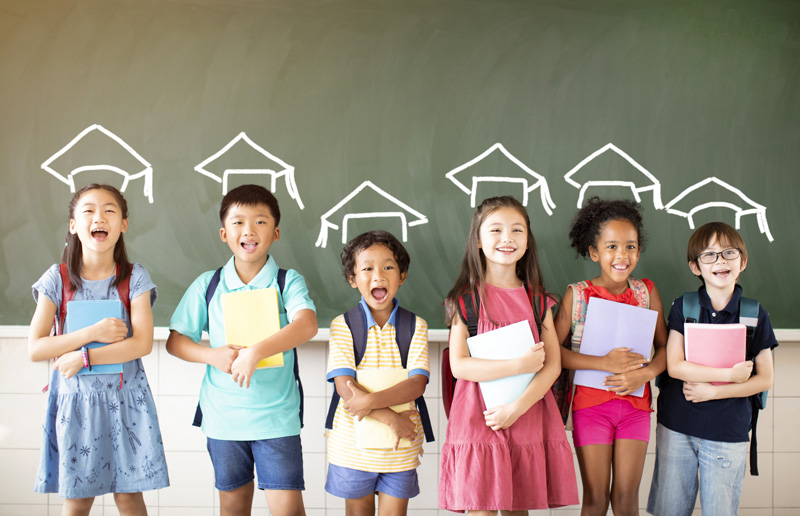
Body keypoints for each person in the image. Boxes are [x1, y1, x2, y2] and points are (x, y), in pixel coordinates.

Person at [166, 184, 317, 516]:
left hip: (277, 419)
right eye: (238, 222)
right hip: (223, 419)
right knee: (233, 506)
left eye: (260, 221)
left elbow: (306, 325)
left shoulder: (286, 281)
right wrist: (212, 355)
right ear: (224, 233)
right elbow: (176, 341)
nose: (249, 230)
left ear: (276, 233)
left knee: (288, 508)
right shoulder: (208, 284)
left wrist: (256, 351)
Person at [28, 183, 168, 515]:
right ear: (74, 225)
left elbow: (141, 343)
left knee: (129, 496)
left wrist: (85, 356)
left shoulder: (135, 278)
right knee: (77, 500)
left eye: (109, 210)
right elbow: (36, 348)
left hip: (126, 402)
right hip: (76, 403)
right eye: (88, 210)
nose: (99, 217)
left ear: (123, 224)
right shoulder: (57, 279)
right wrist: (93, 332)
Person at [439, 196, 579, 513]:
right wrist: (519, 364)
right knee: (480, 505)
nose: (507, 238)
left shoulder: (540, 301)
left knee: (518, 507)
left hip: (527, 413)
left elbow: (552, 367)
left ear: (528, 241)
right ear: (477, 240)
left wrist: (515, 409)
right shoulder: (465, 302)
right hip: (477, 419)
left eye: (517, 230)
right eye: (496, 230)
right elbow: (459, 366)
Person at [646, 222, 777, 516]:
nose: (720, 261)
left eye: (729, 253)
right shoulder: (684, 306)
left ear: (742, 261)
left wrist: (714, 392)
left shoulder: (755, 314)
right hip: (677, 426)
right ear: (695, 266)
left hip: (727, 431)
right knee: (670, 510)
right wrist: (727, 376)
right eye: (710, 255)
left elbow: (765, 378)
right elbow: (675, 366)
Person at [554, 197, 667, 516]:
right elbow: (554, 353)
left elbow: (666, 348)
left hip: (635, 407)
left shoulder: (646, 292)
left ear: (639, 250)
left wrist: (645, 374)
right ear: (594, 253)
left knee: (627, 499)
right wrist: (603, 362)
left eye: (630, 246)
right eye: (612, 246)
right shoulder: (576, 295)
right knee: (595, 499)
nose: (622, 255)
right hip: (590, 408)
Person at [325, 230, 430, 515]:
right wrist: (391, 418)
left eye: (388, 267)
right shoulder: (343, 325)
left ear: (402, 275)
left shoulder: (415, 325)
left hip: (401, 448)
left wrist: (370, 401)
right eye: (367, 268)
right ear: (352, 279)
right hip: (352, 448)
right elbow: (345, 386)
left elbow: (417, 383)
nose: (378, 276)